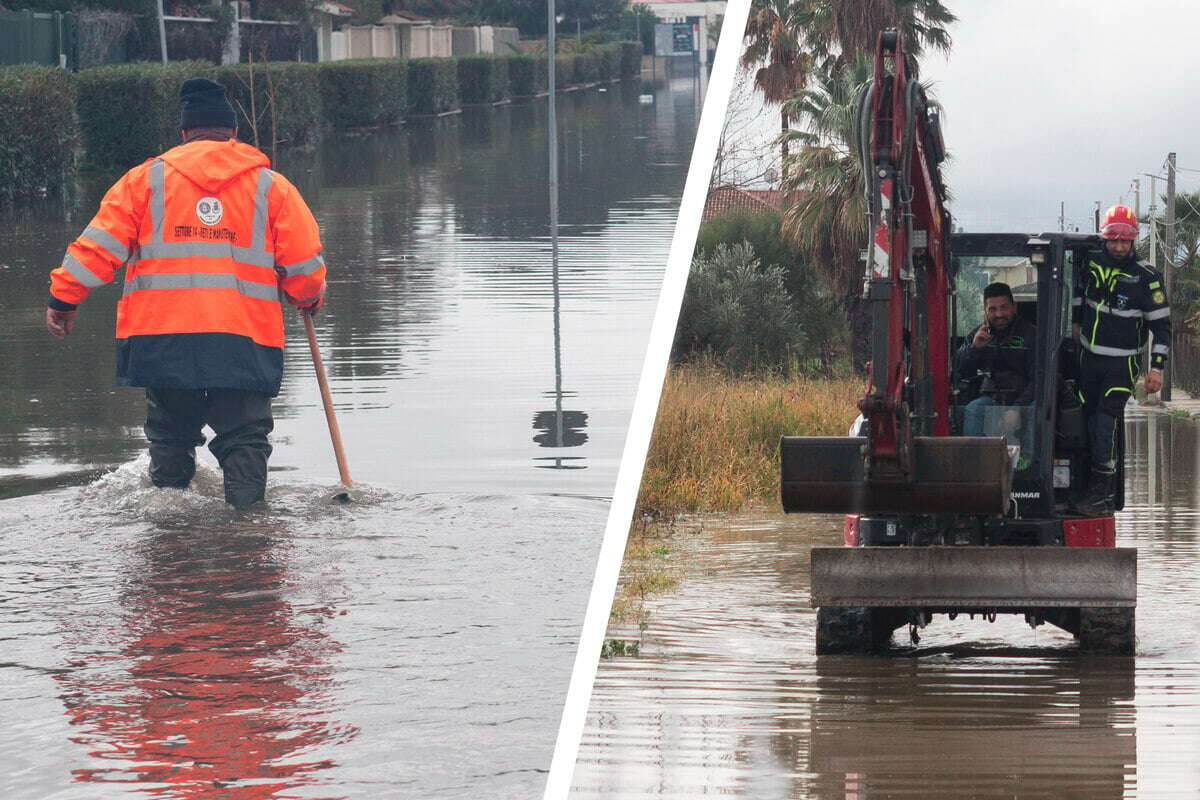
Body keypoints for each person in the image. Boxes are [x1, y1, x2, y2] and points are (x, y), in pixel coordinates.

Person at [45, 77, 327, 508]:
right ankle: (248, 528)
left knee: (171, 437)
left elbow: (97, 249)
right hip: (244, 339)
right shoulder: (273, 188)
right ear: (233, 133)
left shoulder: (142, 182)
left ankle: (170, 536)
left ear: (183, 132)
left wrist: (63, 299)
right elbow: (304, 267)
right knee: (245, 438)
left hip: (163, 338)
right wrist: (307, 297)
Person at [1072, 204, 1170, 514]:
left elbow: (1162, 328)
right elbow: (1077, 297)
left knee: (1105, 424)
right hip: (1089, 358)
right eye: (1113, 239)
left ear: (1133, 241)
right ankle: (1083, 485)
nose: (1118, 246)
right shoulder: (1088, 264)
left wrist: (1156, 370)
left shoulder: (1147, 277)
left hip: (1122, 364)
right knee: (1085, 424)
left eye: (1124, 240)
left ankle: (1103, 494)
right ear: (1104, 238)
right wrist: (1076, 324)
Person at [956, 282, 1037, 453]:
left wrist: (1017, 409)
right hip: (992, 398)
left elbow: (1039, 379)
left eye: (1004, 308)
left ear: (1014, 307)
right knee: (973, 409)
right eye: (992, 309)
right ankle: (976, 467)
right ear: (984, 310)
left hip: (1025, 398)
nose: (999, 314)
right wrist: (974, 349)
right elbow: (958, 371)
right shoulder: (979, 335)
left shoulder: (1031, 334)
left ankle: (1027, 465)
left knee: (1035, 412)